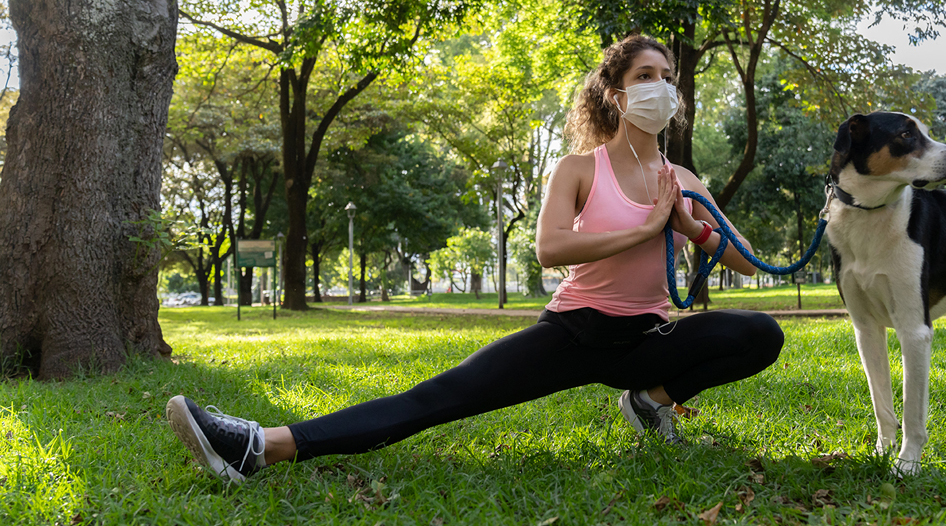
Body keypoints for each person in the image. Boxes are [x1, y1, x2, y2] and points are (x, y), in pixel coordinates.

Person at [165, 35, 784, 483]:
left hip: (647, 338)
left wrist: (691, 230)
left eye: (668, 75)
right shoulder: (577, 169)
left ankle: (649, 401)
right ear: (618, 96)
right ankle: (257, 447)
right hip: (574, 331)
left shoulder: (683, 178)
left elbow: (750, 264)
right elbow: (549, 250)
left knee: (760, 333)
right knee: (436, 399)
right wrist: (645, 228)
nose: (662, 87)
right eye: (646, 75)